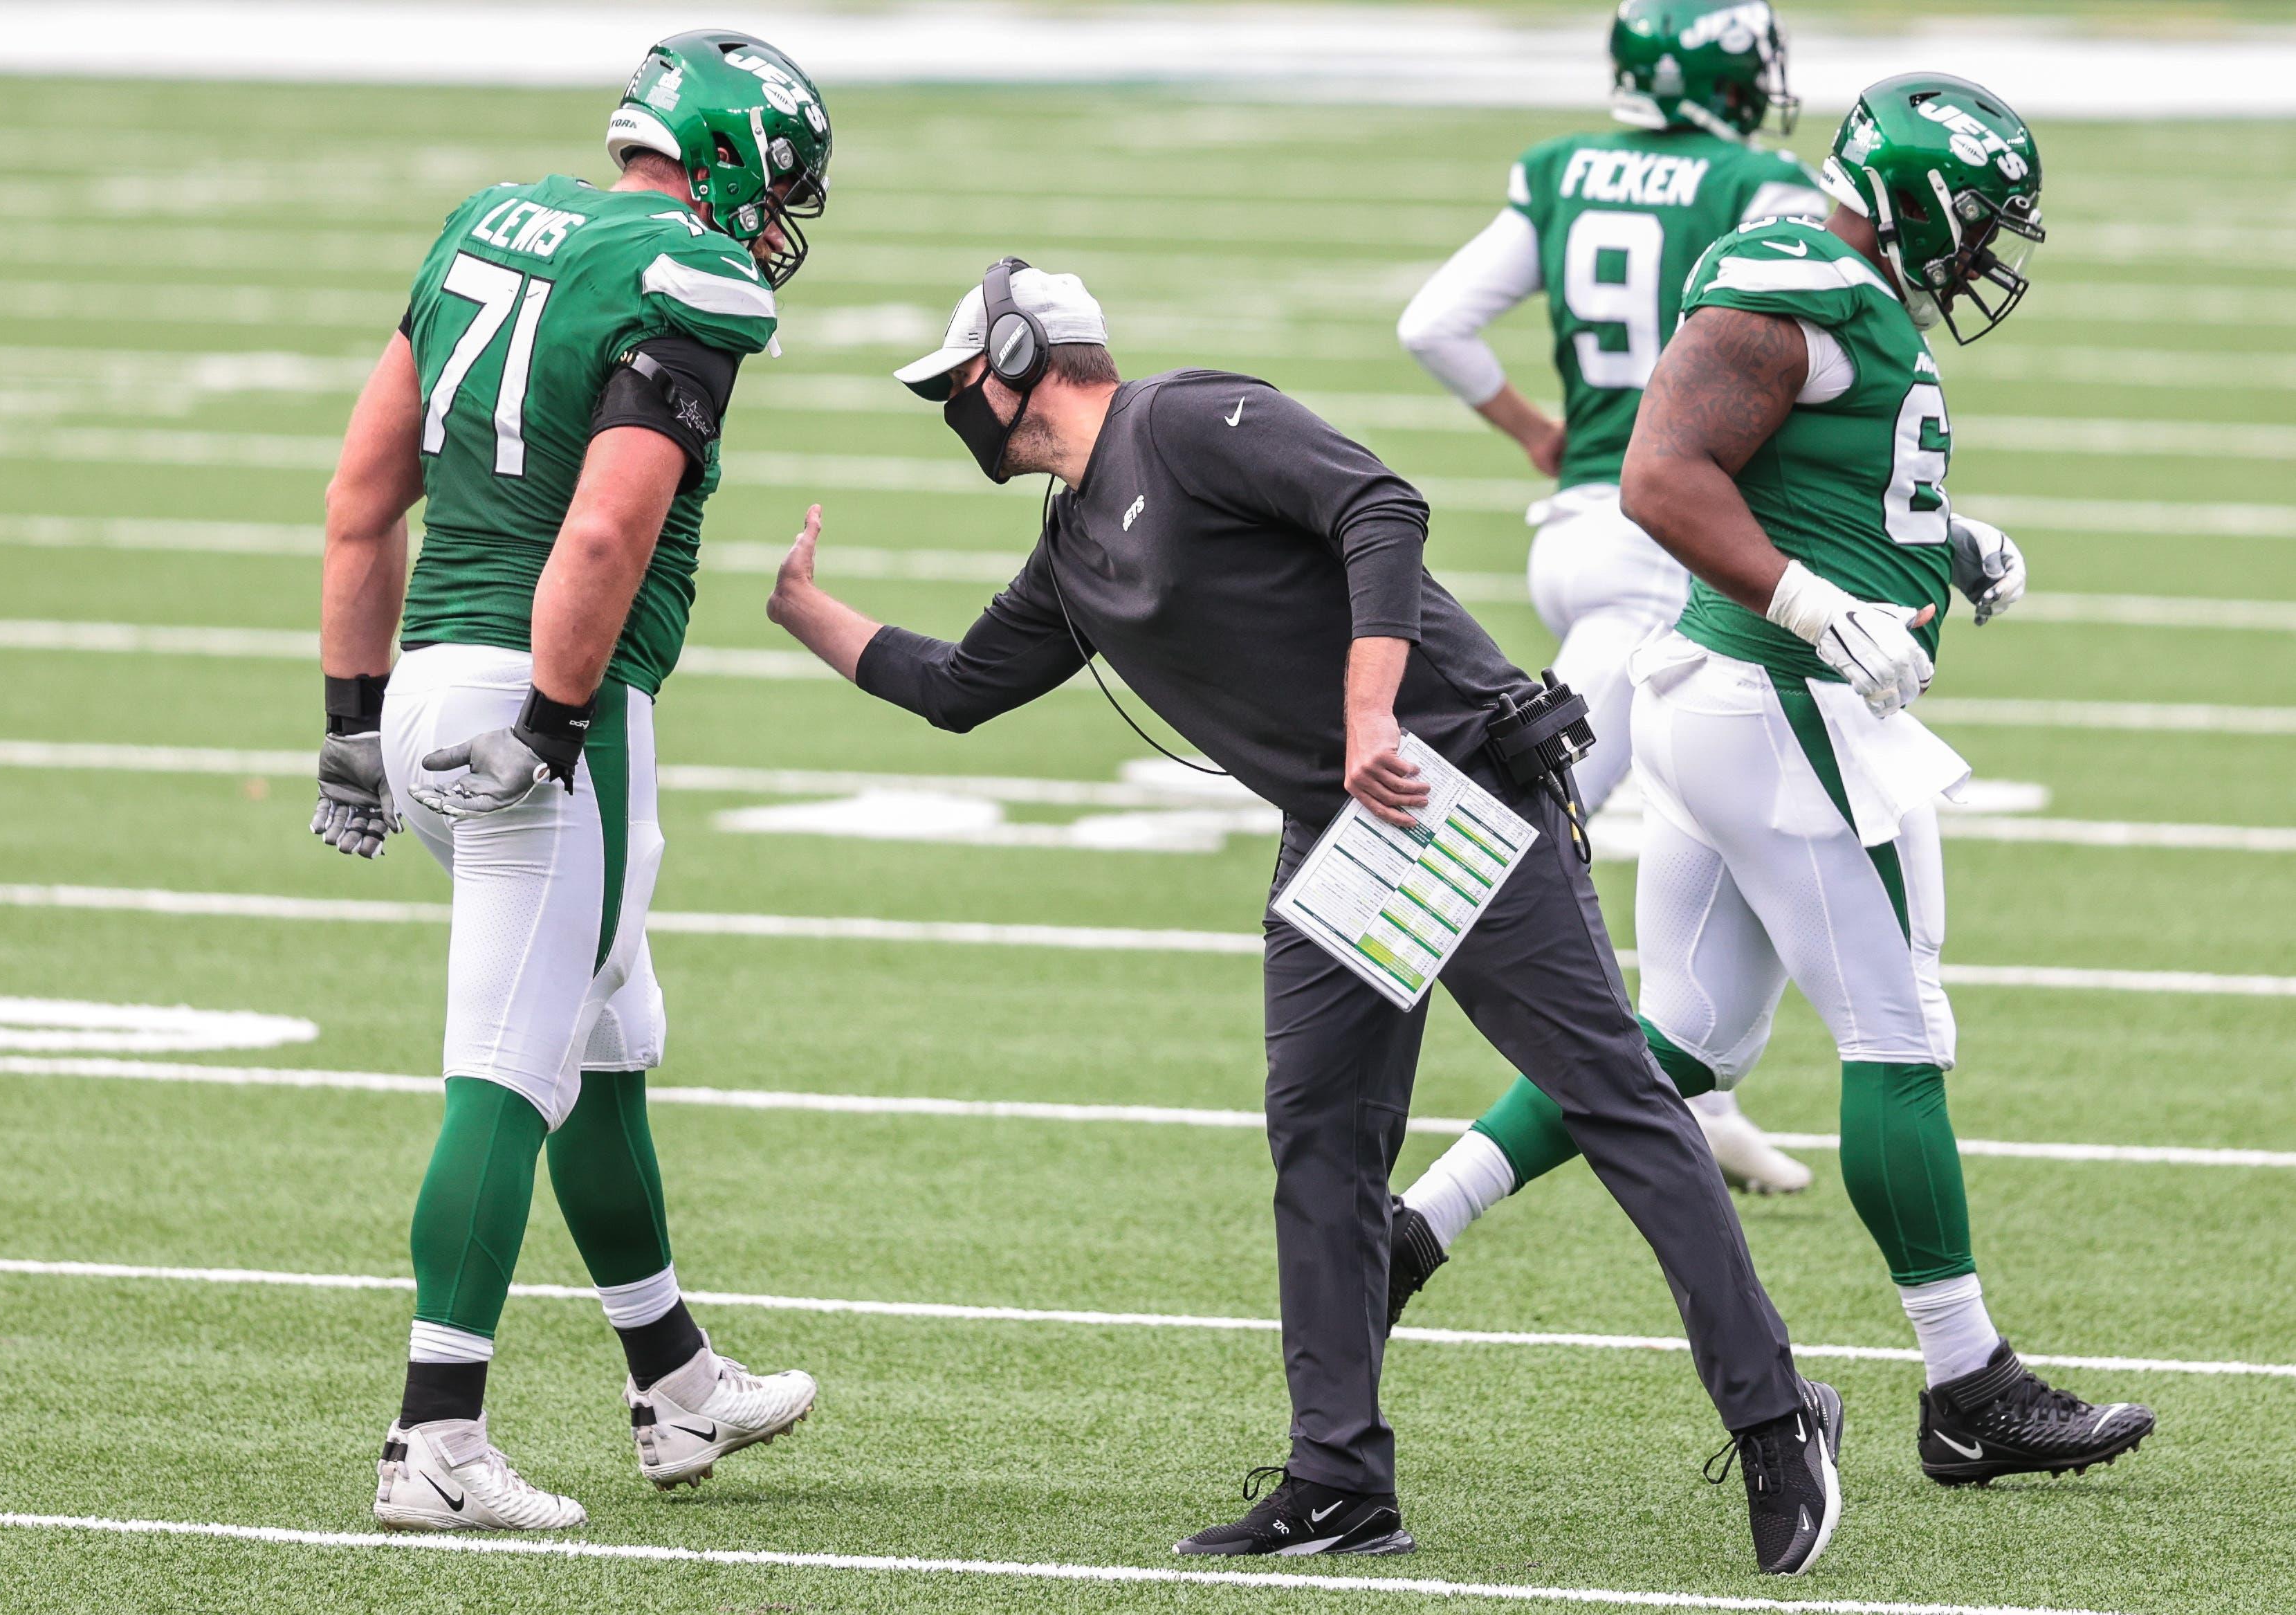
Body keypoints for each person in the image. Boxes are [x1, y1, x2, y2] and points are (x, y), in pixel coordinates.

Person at [765, 259, 1844, 1574]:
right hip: (1337, 837)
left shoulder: (1182, 417)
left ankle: (1776, 1413)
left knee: (1611, 1095)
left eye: (957, 382)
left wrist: (1366, 707)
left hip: (1453, 783)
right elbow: (954, 688)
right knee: (1320, 1144)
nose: (952, 407)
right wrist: (804, 611)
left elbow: (1380, 506)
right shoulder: (1069, 544)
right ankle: (1339, 1477)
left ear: (1015, 355)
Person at [1403, 72, 2156, 1488]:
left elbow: (1812, 472)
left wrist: (1942, 545)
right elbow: (1661, 476)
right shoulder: (1783, 283)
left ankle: (1417, 1226)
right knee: (1898, 1030)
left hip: (1727, 699)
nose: (1986, 252)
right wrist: (1815, 605)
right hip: (1778, 698)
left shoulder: (1832, 284)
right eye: (1982, 221)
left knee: (1685, 1040)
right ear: (1923, 195)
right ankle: (1966, 1386)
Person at [311, 30, 833, 1531]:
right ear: (728, 161)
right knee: (510, 1065)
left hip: (419, 692)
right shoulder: (683, 280)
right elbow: (600, 539)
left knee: (605, 1028)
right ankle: (437, 1445)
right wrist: (555, 720)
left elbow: (359, 504)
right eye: (777, 186)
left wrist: (351, 726)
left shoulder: (489, 222)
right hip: (545, 709)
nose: (775, 225)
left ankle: (674, 1383)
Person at [1397, 0, 1825, 1205]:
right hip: (1666, 549)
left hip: (1585, 521)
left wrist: (1535, 427)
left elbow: (1433, 323)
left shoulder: (1563, 169)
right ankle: (1344, 971)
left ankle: (1709, 1089)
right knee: (1511, 815)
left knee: (1716, 801)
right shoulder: (1754, 184)